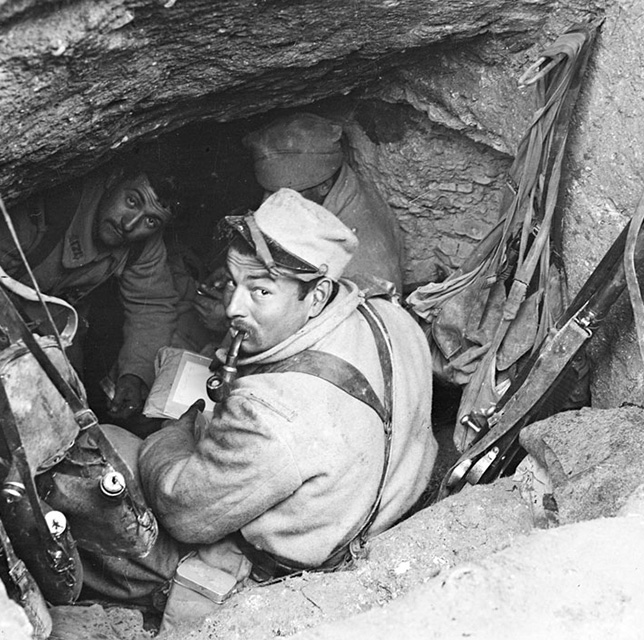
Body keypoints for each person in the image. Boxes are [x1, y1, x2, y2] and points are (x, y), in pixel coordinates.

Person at [80, 189, 437, 611]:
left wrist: (169, 437)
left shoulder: (271, 416)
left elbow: (181, 511)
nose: (233, 306)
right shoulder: (389, 314)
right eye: (234, 281)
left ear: (317, 296)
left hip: (276, 574)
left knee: (99, 451)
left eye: (260, 292)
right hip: (382, 501)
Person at [0, 160, 180, 423]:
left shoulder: (143, 247)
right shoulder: (51, 206)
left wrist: (136, 373)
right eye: (131, 201)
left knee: (71, 413)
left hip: (58, 328)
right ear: (113, 178)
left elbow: (152, 306)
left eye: (151, 221)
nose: (130, 225)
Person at [242, 112, 405, 296]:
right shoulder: (340, 185)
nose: (268, 203)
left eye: (288, 194)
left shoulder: (363, 255)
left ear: (324, 186)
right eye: (269, 191)